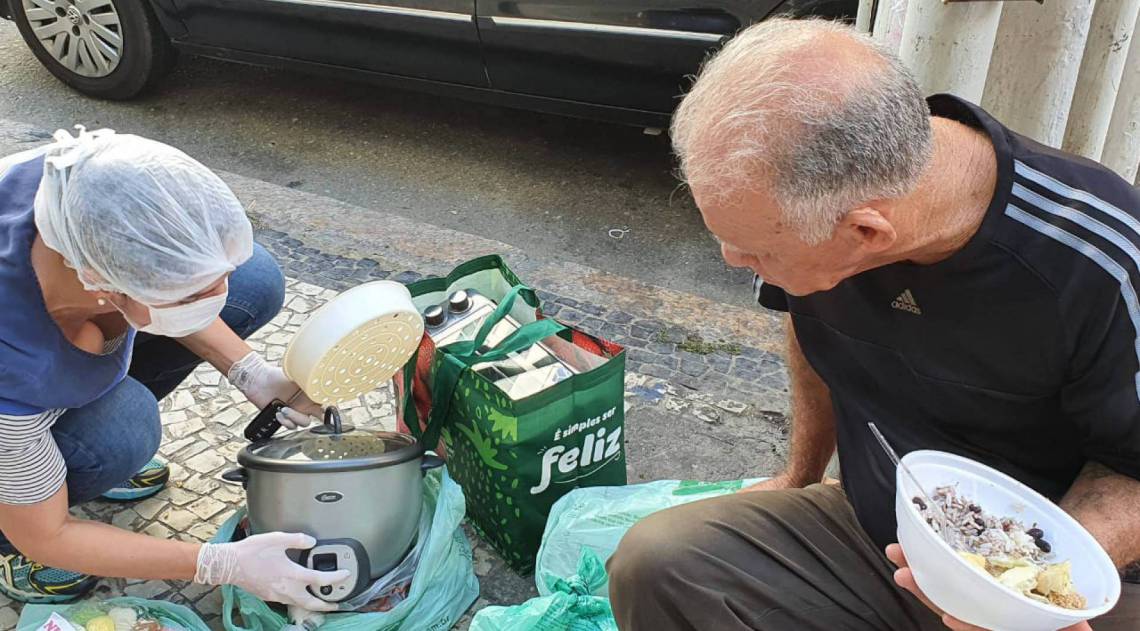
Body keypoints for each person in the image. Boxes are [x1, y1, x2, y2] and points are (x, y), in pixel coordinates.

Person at [607, 18, 1140, 631]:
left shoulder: (1103, 258)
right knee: (658, 561)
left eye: (755, 252)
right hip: (882, 524)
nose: (733, 260)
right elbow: (808, 326)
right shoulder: (816, 206)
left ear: (866, 232)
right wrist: (800, 473)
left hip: (1060, 567)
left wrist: (1019, 594)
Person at [0, 127, 347, 610]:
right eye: (191, 295)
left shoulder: (80, 183)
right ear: (103, 285)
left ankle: (72, 458)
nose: (219, 294)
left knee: (255, 282)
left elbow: (158, 261)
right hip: (13, 419)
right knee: (125, 429)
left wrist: (251, 372)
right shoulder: (15, 374)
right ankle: (11, 535)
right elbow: (48, 535)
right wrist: (221, 563)